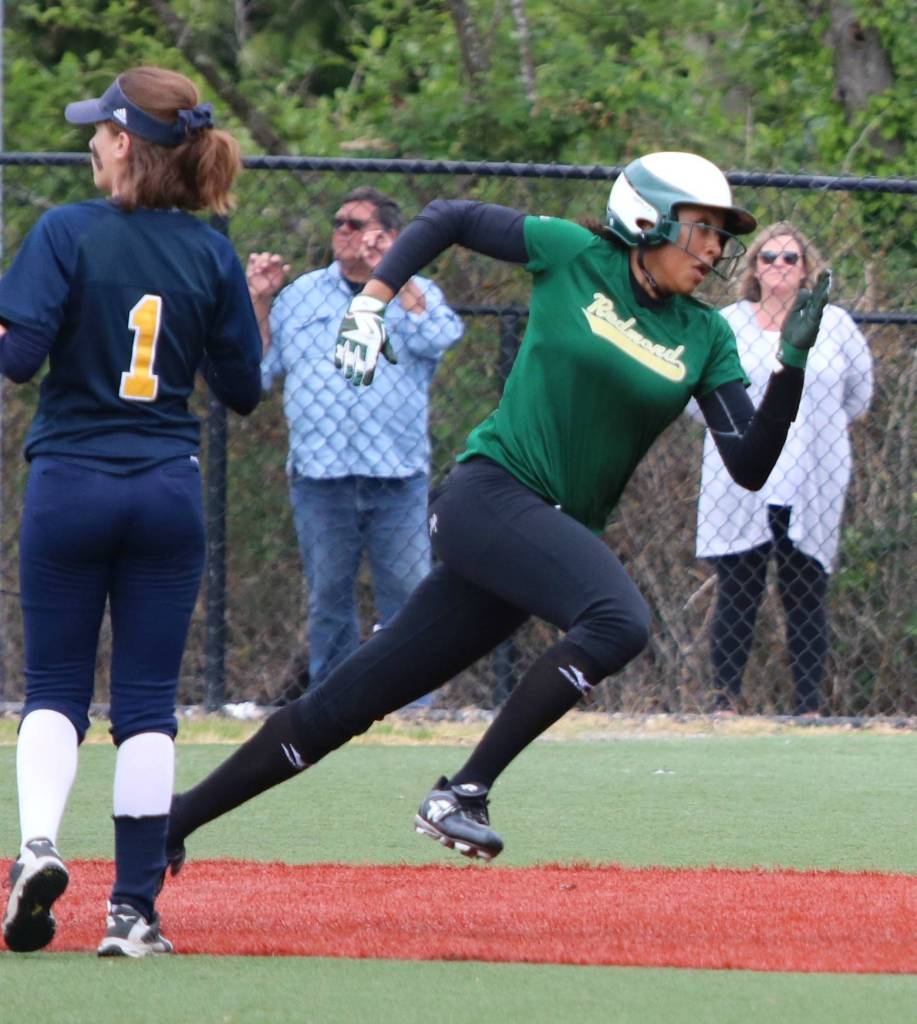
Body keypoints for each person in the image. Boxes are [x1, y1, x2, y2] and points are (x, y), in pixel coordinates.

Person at [163, 151, 830, 872]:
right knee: (618, 620)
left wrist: (789, 367)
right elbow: (449, 217)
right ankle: (465, 792)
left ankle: (171, 822)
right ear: (646, 219)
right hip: (486, 498)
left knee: (348, 700)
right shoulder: (575, 254)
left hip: (535, 535)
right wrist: (370, 302)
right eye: (701, 229)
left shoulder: (704, 335)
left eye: (720, 236)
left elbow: (750, 464)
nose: (715, 250)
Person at [0, 67, 262, 957]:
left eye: (98, 131)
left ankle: (36, 850)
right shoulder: (210, 251)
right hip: (164, 487)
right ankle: (134, 913)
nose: (89, 143)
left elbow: (20, 359)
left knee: (55, 692)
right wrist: (244, 309)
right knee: (147, 707)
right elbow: (243, 390)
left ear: (125, 143)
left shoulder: (66, 230)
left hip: (71, 482)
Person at [248, 187, 464, 701]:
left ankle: (415, 707)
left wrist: (399, 271)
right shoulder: (301, 295)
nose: (343, 232)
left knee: (409, 596)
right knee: (327, 600)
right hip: (320, 476)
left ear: (387, 236)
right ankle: (333, 705)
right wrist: (259, 299)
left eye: (356, 224)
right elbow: (257, 369)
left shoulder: (416, 292)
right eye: (338, 222)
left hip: (397, 476)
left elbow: (442, 336)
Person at [693, 221, 872, 715]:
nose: (778, 266)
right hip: (741, 481)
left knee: (806, 592)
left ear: (806, 268)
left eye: (790, 258)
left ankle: (808, 710)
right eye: (767, 257)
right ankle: (723, 704)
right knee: (738, 590)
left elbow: (859, 396)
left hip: (813, 477)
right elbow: (699, 397)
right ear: (752, 267)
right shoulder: (725, 324)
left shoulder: (834, 326)